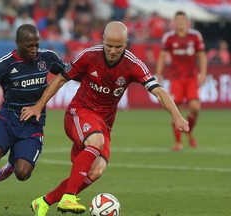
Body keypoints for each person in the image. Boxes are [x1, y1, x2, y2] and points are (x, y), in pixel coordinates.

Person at [20, 21, 189, 216]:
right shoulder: (89, 56)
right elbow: (60, 79)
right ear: (103, 40)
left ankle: (43, 202)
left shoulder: (133, 65)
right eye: (109, 45)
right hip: (79, 112)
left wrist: (177, 116)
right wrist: (38, 106)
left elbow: (158, 91)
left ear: (126, 44)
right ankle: (68, 197)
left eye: (118, 47)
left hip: (104, 123)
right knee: (96, 141)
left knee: (96, 170)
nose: (113, 50)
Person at [0, 24, 67, 216]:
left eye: (37, 44)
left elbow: (67, 73)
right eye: (29, 45)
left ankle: (12, 162)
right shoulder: (3, 64)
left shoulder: (48, 57)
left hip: (32, 123)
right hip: (7, 118)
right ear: (18, 43)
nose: (34, 49)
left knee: (23, 173)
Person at [156, 11, 207, 151]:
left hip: (191, 78)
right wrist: (159, 74)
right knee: (176, 110)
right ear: (174, 22)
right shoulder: (169, 38)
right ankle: (178, 142)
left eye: (182, 20)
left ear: (187, 22)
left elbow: (202, 56)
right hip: (176, 78)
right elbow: (162, 56)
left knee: (195, 108)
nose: (180, 22)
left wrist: (203, 73)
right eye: (177, 20)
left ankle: (189, 131)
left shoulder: (195, 36)